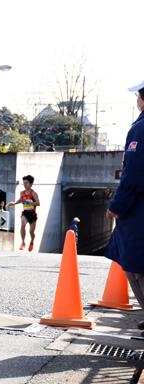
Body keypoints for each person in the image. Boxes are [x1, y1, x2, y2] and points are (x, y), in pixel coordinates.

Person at [106, 80, 144, 333]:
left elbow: (134, 173)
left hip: (139, 211)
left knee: (136, 264)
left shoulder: (140, 129)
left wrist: (116, 206)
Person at [6, 175, 39, 251]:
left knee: (31, 232)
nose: (25, 185)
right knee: (22, 224)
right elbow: (20, 200)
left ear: (31, 184)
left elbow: (38, 203)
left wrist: (29, 202)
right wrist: (13, 203)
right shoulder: (22, 193)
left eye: (26, 183)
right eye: (24, 183)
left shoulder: (33, 193)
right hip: (25, 213)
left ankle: (32, 241)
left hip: (33, 214)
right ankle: (23, 242)